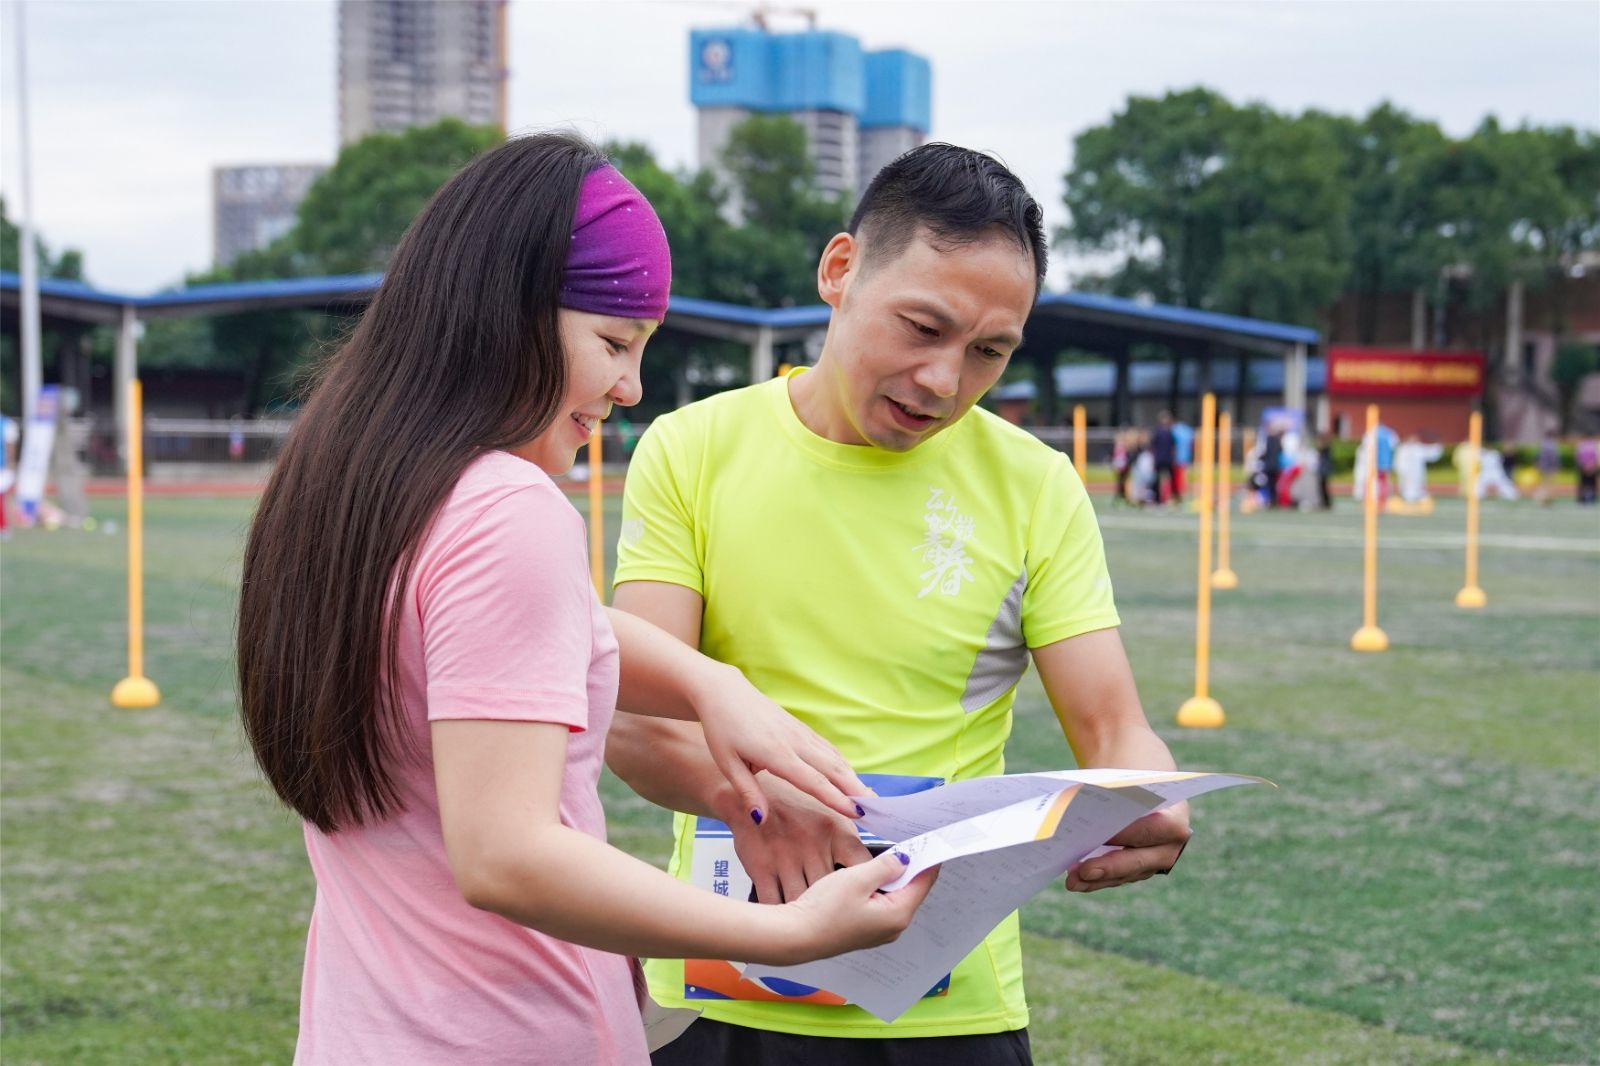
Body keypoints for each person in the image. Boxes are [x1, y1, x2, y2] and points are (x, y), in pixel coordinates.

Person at [234, 133, 934, 1066]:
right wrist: (790, 933)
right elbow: (508, 856)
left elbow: (492, 634)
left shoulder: (346, 485)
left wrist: (708, 685)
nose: (630, 385)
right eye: (612, 342)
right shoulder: (506, 507)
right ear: (506, 314)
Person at [606, 144, 1189, 1066]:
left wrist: (1148, 799)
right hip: (721, 997)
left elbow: (1115, 730)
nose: (944, 382)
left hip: (947, 1016)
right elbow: (635, 721)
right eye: (922, 327)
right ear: (840, 271)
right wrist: (774, 811)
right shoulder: (693, 449)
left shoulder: (1036, 486)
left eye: (989, 352)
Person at [1150, 410, 1179, 504]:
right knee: (1156, 479)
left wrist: (1174, 457)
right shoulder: (1157, 432)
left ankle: (1173, 497)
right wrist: (1154, 459)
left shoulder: (1170, 432)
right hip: (1159, 459)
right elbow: (1153, 446)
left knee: (1172, 479)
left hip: (1168, 459)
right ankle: (1157, 498)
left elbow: (1173, 446)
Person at [1576, 434, 1598, 505]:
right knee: (1591, 483)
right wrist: (1592, 466)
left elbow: (1579, 457)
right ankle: (1592, 498)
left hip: (1584, 467)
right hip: (1591, 467)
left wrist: (1585, 466)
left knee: (1584, 483)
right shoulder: (1593, 446)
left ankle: (1582, 498)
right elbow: (1596, 457)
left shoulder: (1581, 445)